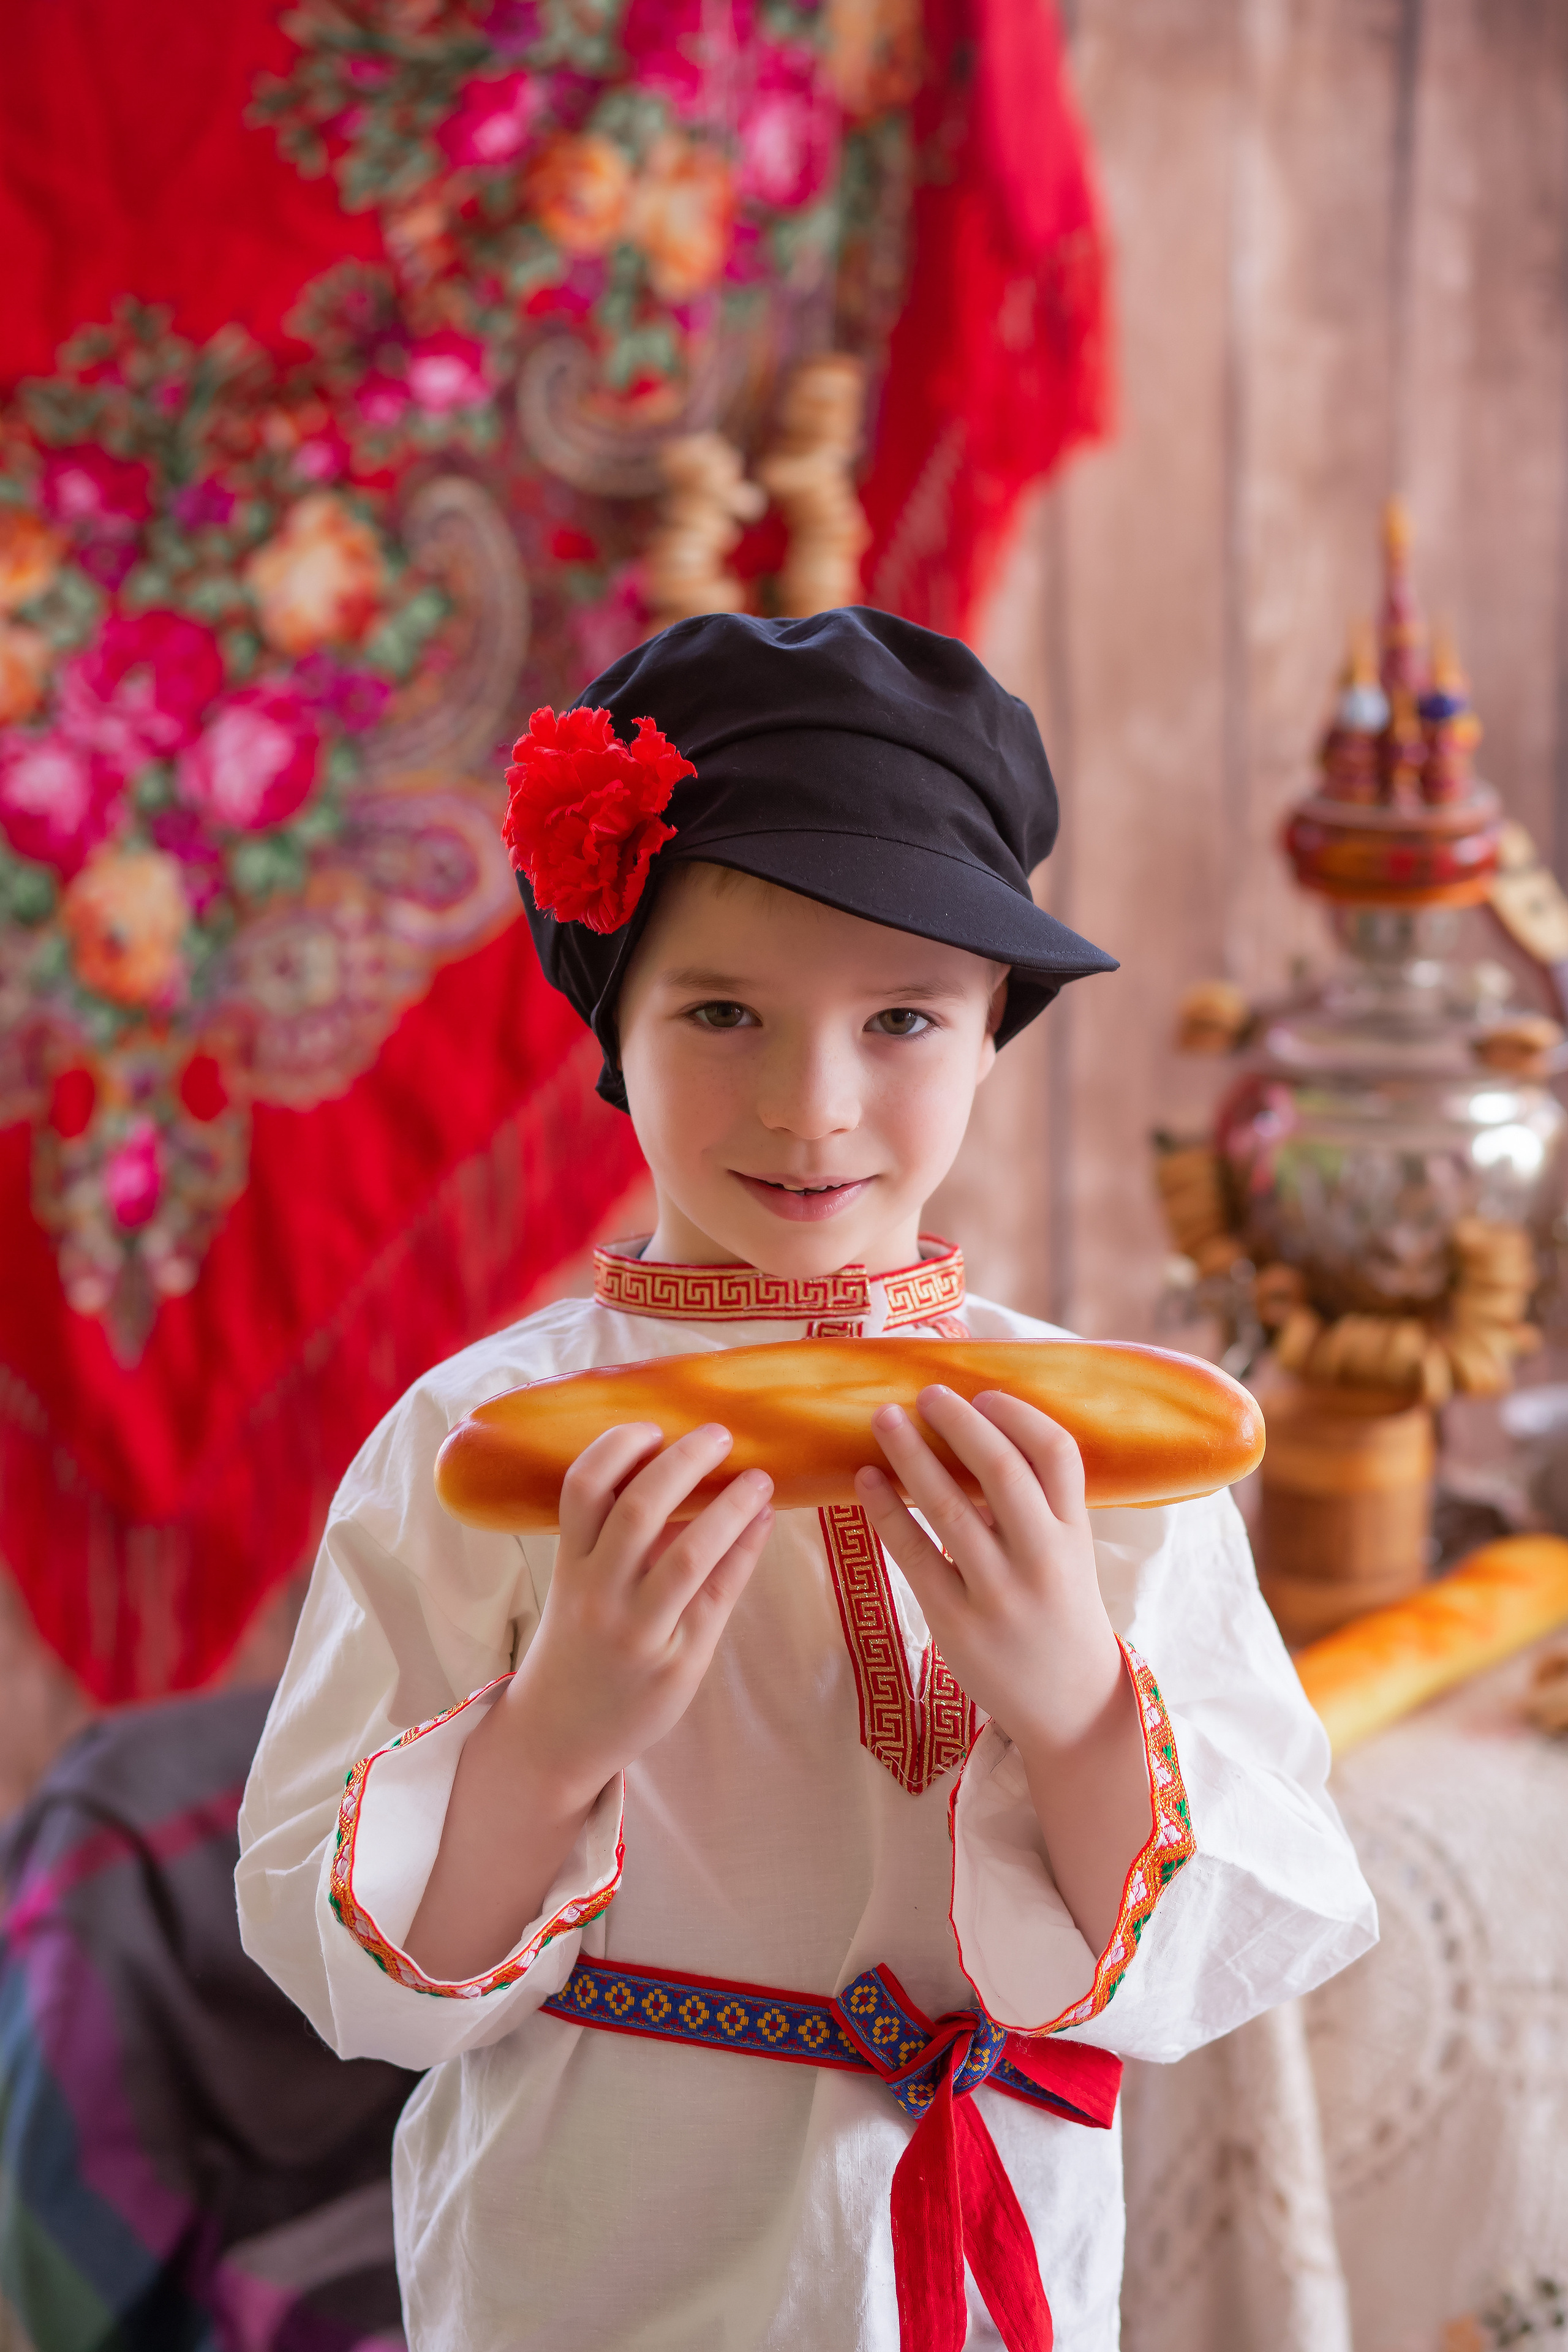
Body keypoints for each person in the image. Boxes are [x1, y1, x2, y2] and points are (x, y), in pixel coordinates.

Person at [237, 608, 1376, 2352]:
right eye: (721, 1011)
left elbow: (1242, 1924)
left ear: (997, 1027)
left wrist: (1073, 1701)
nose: (812, 1103)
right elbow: (361, 1979)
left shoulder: (1105, 1450)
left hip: (976, 2248)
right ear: (612, 1026)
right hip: (594, 2251)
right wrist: (559, 1731)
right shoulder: (474, 1449)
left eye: (903, 1018)